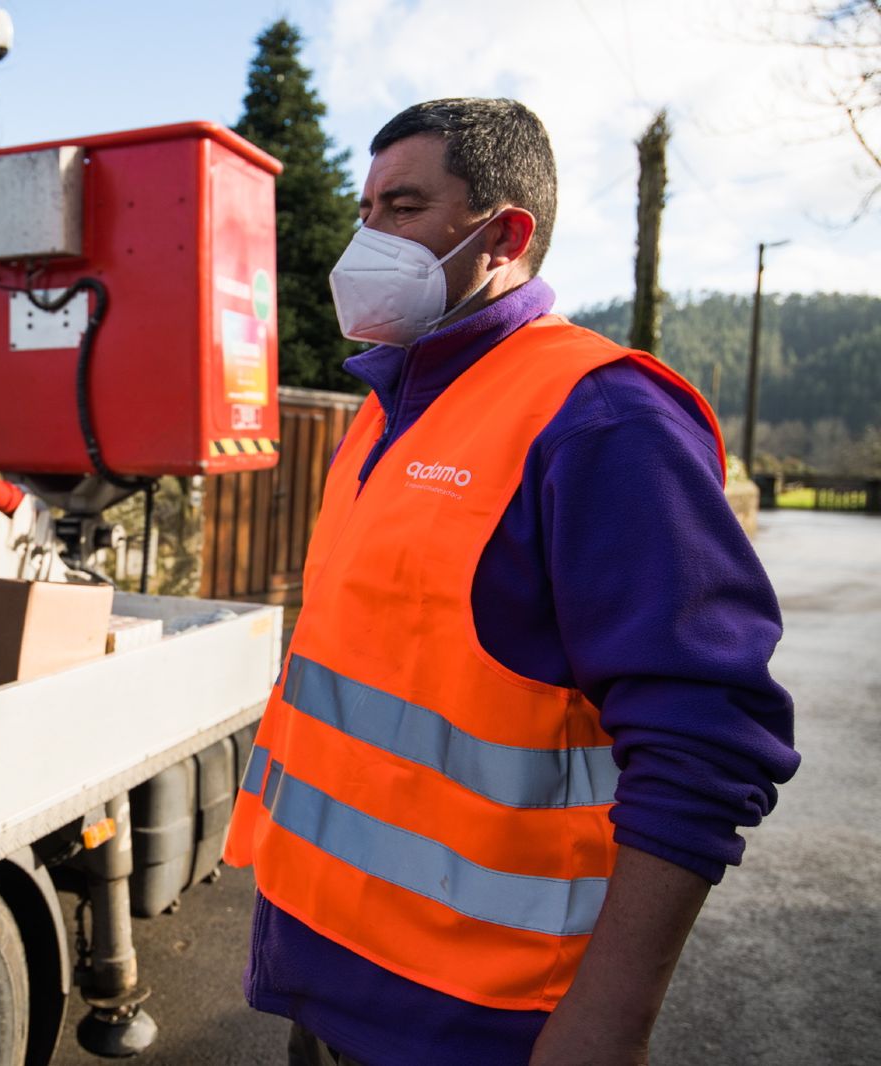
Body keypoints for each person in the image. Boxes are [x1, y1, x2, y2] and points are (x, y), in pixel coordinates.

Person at [222, 98, 799, 1066]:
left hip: (479, 1015)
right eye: (366, 209)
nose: (367, 238)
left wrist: (607, 1021)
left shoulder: (603, 418)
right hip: (324, 975)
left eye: (403, 207)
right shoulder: (388, 407)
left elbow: (705, 737)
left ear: (504, 235)